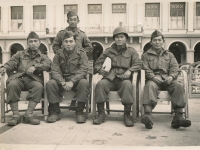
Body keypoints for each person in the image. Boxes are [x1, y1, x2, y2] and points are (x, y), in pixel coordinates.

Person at [141, 30, 191, 129]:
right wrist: (153, 77)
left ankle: (178, 117)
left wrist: (171, 77)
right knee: (149, 86)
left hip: (168, 79)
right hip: (153, 79)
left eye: (159, 40)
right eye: (154, 40)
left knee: (179, 86)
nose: (157, 42)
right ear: (151, 42)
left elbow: (175, 67)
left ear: (163, 41)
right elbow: (145, 69)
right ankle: (148, 116)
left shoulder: (169, 55)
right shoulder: (145, 56)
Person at [93, 27, 142, 127]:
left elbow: (138, 64)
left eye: (121, 37)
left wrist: (130, 70)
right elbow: (97, 63)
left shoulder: (131, 51)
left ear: (126, 38)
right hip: (110, 77)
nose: (119, 39)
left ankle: (127, 115)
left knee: (128, 85)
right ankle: (101, 113)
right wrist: (100, 69)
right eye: (117, 37)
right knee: (100, 84)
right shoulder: (109, 51)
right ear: (114, 39)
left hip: (124, 78)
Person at [0, 31, 51, 126]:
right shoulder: (20, 54)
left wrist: (36, 66)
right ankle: (16, 115)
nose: (33, 43)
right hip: (19, 78)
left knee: (39, 87)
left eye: (36, 41)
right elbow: (11, 63)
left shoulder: (43, 56)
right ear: (27, 43)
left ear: (39, 43)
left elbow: (48, 65)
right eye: (31, 41)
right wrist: (4, 67)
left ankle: (29, 114)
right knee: (12, 84)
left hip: (33, 80)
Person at [46, 31, 89, 124]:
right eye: (66, 41)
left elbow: (83, 69)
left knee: (84, 82)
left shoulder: (81, 53)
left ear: (75, 42)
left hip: (76, 82)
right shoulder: (58, 54)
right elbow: (55, 70)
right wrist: (62, 82)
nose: (68, 44)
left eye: (70, 41)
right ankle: (55, 111)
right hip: (62, 81)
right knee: (50, 83)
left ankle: (80, 112)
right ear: (62, 43)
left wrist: (72, 81)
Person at [52, 11, 93, 108]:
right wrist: (62, 52)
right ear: (67, 21)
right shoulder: (61, 33)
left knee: (82, 81)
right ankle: (55, 109)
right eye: (71, 19)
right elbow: (55, 46)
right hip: (64, 61)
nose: (73, 21)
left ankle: (79, 106)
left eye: (75, 19)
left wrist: (81, 54)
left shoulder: (82, 34)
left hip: (77, 62)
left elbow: (89, 47)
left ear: (78, 21)